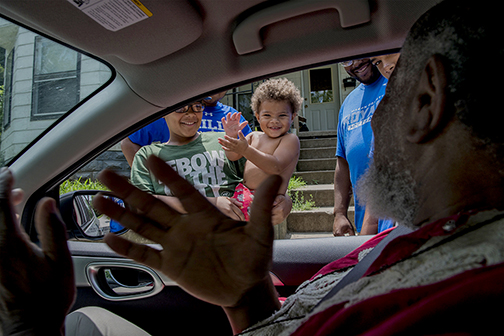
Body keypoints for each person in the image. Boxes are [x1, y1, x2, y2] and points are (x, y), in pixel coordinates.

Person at [2, 1, 504, 334]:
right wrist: (248, 299)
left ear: (427, 99)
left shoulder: (467, 302)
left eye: (390, 92)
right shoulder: (431, 245)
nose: (373, 118)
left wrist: (31, 325)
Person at [130, 100, 247, 221]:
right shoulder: (147, 155)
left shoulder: (224, 141)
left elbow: (257, 181)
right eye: (181, 108)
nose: (191, 114)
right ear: (163, 111)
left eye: (197, 106)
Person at [218, 78, 301, 220]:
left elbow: (275, 166)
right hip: (243, 193)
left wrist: (246, 150)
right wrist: (232, 137)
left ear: (292, 116)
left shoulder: (289, 140)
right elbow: (233, 156)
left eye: (282, 115)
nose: (274, 120)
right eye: (267, 115)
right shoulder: (253, 136)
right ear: (257, 116)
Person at [120, 91, 252, 166]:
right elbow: (129, 143)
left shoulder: (234, 117)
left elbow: (250, 151)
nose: (190, 115)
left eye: (197, 108)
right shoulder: (173, 114)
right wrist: (146, 175)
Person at [333, 58, 388, 236]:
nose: (355, 63)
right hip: (366, 224)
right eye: (346, 61)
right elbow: (342, 163)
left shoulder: (395, 83)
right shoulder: (347, 105)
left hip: (400, 217)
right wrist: (340, 213)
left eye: (359, 54)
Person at [359, 52, 401, 235]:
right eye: (377, 62)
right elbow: (379, 175)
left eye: (391, 54)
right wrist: (365, 244)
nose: (386, 66)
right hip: (388, 237)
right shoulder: (384, 114)